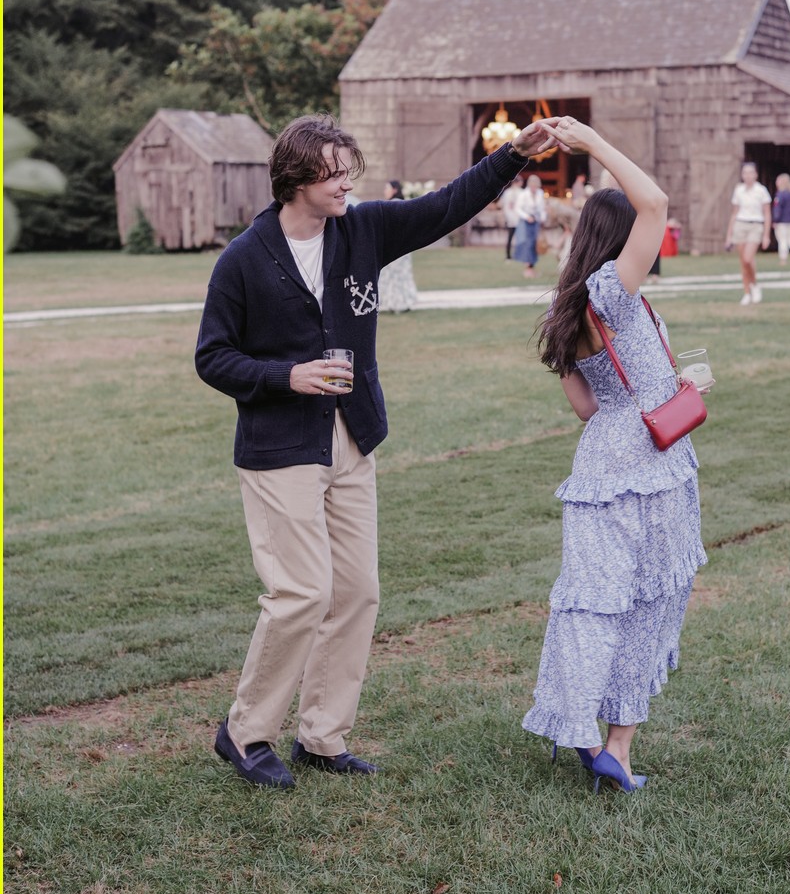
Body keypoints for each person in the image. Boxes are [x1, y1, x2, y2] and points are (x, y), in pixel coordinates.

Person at [196, 112, 558, 789]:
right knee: (301, 591)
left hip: (351, 436)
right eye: (332, 174)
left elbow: (446, 204)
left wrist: (514, 155)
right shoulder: (243, 260)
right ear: (294, 179)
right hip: (280, 446)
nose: (344, 185)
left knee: (358, 592)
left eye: (347, 172)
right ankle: (244, 733)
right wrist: (286, 376)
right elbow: (212, 358)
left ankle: (322, 736)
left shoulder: (360, 231)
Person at [522, 115, 706, 794]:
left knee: (593, 600)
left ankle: (577, 726)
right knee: (648, 600)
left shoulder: (569, 307)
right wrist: (591, 144)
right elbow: (654, 202)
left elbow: (585, 408)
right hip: (651, 465)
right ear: (622, 233)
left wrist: (671, 384)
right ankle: (617, 749)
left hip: (598, 463)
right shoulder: (616, 294)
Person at [725, 161, 772, 305]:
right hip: (740, 225)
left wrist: (766, 235)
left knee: (747, 258)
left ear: (756, 174)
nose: (748, 175)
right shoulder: (739, 190)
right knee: (743, 262)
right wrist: (729, 235)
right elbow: (734, 213)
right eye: (745, 172)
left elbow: (767, 213)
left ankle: (755, 285)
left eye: (751, 172)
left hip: (755, 226)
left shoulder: (761, 191)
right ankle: (746, 292)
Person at [377, 180, 418, 312]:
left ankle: (394, 303)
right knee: (401, 275)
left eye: (387, 188)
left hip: (394, 245)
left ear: (394, 190)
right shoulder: (404, 204)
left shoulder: (393, 205)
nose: (385, 191)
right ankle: (403, 301)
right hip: (403, 245)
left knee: (392, 276)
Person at [512, 173, 547, 277]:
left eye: (536, 186)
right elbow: (517, 208)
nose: (534, 188)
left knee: (534, 245)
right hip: (525, 223)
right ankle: (527, 269)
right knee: (526, 244)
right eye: (533, 186)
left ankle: (532, 267)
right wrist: (527, 216)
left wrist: (542, 218)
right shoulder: (523, 194)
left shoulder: (540, 193)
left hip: (536, 222)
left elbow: (542, 208)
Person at [772, 173, 790, 265]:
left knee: (782, 240)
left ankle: (783, 259)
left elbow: (777, 209)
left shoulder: (780, 195)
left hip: (781, 222)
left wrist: (775, 220)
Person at [499, 174, 524, 261]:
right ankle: (515, 255)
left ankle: (509, 256)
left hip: (511, 218)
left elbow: (501, 204)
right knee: (518, 238)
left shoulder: (507, 192)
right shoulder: (521, 192)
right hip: (517, 218)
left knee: (511, 238)